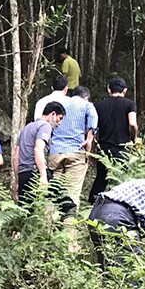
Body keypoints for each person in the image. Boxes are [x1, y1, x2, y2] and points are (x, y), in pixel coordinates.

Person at [48, 85, 98, 214]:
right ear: (86, 97)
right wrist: (89, 139)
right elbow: (94, 117)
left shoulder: (61, 103)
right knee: (73, 193)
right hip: (76, 151)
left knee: (52, 192)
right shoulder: (86, 105)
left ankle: (47, 227)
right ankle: (69, 230)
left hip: (56, 152)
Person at [90, 77, 137, 202]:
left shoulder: (99, 106)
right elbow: (132, 124)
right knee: (121, 177)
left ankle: (93, 202)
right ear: (125, 90)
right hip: (123, 147)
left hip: (104, 146)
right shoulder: (130, 104)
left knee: (101, 177)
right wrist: (133, 138)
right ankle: (120, 203)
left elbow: (93, 127)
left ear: (109, 90)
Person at [11, 102, 65, 205]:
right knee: (66, 204)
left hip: (23, 174)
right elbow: (38, 149)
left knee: (26, 211)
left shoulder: (26, 128)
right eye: (60, 118)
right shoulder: (45, 126)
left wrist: (18, 181)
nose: (60, 123)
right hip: (35, 172)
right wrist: (43, 176)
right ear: (53, 114)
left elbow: (16, 157)